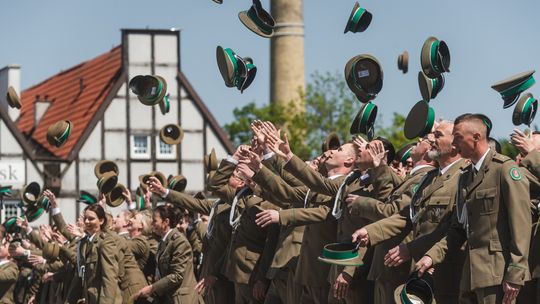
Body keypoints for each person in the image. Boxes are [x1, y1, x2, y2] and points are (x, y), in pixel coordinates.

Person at [416, 113, 531, 303]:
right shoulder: (465, 177)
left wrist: (516, 272)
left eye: (458, 137)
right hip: (470, 277)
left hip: (498, 276)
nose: (454, 143)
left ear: (476, 137)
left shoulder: (504, 170)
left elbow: (521, 226)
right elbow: (458, 229)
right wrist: (431, 256)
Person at [351, 121, 467, 303]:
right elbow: (407, 216)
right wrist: (371, 232)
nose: (431, 140)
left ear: (454, 143)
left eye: (438, 136)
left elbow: (453, 228)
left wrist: (411, 248)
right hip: (420, 271)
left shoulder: (464, 176)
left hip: (446, 272)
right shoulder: (430, 178)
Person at [344, 135, 436, 304]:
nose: (418, 140)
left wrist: (361, 203)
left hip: (398, 265)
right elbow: (389, 198)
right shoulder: (414, 178)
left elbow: (394, 213)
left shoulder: (425, 178)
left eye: (425, 140)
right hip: (387, 263)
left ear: (430, 149)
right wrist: (380, 166)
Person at [134, 204, 202, 304]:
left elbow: (177, 275)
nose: (152, 224)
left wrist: (152, 288)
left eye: (155, 221)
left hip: (182, 299)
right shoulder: (164, 241)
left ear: (166, 222)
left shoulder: (179, 242)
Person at [0, 237, 18, 304]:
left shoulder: (13, 266)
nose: (0, 247)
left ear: (10, 253)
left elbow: (4, 276)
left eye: (4, 245)